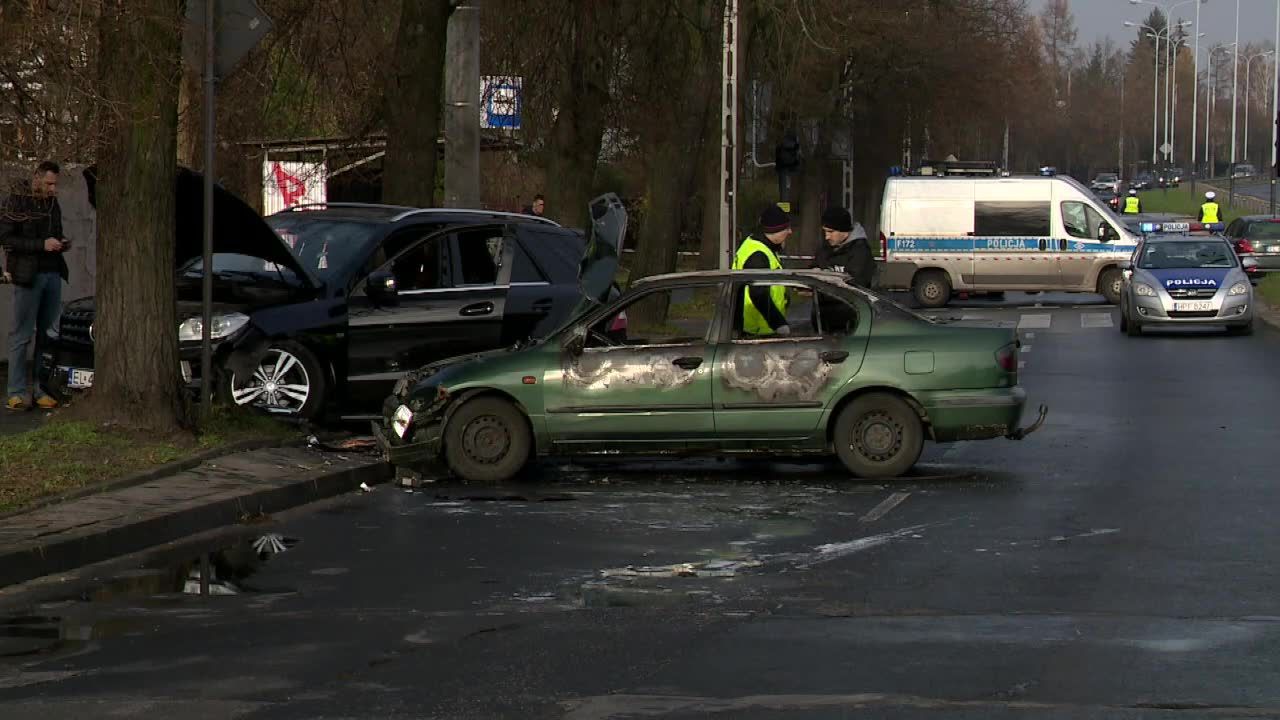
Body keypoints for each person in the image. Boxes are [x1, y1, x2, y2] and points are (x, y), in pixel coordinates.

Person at [1, 160, 69, 411]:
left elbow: (57, 230)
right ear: (37, 178)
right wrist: (41, 244)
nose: (52, 188)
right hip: (29, 276)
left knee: (46, 336)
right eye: (49, 183)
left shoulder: (52, 204)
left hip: (52, 273)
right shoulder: (17, 200)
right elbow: (7, 237)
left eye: (55, 184)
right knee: (21, 335)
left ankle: (41, 389)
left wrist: (61, 242)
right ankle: (16, 392)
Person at [732, 205, 791, 336]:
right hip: (757, 329)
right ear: (776, 231)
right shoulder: (758, 254)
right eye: (786, 228)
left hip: (756, 327)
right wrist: (778, 323)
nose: (790, 232)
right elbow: (758, 294)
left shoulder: (759, 246)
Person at [812, 207, 875, 287]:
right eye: (825, 231)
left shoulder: (860, 251)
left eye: (831, 232)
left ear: (844, 231)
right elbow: (814, 269)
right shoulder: (824, 249)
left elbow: (857, 284)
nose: (827, 237)